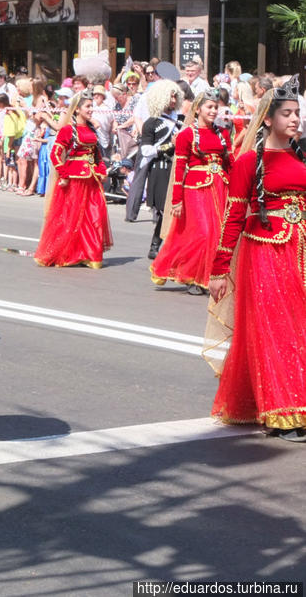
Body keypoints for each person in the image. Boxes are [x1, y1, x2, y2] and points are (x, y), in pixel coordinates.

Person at [206, 76, 306, 441]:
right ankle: (286, 411)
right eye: (287, 114)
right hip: (265, 251)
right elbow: (233, 218)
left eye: (297, 113)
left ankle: (292, 400)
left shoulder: (300, 156)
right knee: (278, 327)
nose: (294, 119)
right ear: (268, 118)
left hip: (299, 249)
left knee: (300, 328)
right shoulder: (249, 161)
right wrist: (219, 270)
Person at [151, 89, 232, 294]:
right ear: (198, 109)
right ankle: (193, 276)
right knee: (203, 233)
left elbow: (230, 165)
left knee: (219, 234)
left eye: (216, 107)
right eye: (209, 107)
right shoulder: (187, 134)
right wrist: (177, 200)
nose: (214, 111)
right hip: (196, 190)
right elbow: (179, 169)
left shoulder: (222, 134)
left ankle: (208, 277)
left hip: (220, 188)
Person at [34, 88, 112, 269]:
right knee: (72, 218)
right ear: (77, 109)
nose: (91, 109)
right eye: (87, 106)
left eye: (92, 106)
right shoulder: (68, 130)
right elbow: (56, 154)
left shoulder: (91, 129)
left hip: (91, 179)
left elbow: (96, 154)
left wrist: (101, 169)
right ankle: (68, 253)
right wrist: (64, 173)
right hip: (74, 180)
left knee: (93, 216)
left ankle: (89, 253)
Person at [128, 81, 185, 258]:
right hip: (161, 169)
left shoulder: (181, 121)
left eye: (176, 96)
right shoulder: (151, 123)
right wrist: (170, 145)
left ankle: (170, 246)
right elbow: (146, 151)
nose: (174, 100)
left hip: (179, 168)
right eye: (171, 96)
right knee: (165, 209)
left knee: (178, 210)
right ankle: (155, 244)